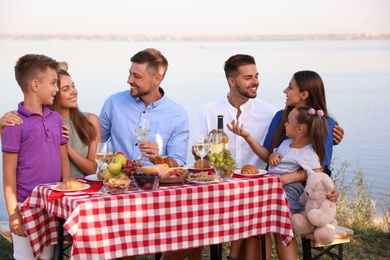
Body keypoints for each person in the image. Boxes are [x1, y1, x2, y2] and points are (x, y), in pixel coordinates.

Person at [228, 70, 343, 259]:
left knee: (266, 220)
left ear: (304, 94)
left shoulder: (326, 123)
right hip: (277, 185)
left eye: (290, 87)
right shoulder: (281, 118)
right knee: (256, 221)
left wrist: (285, 179)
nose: (285, 91)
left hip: (302, 194)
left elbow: (319, 169)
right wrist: (248, 137)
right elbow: (270, 155)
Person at [2, 54, 70, 260]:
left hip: (51, 204)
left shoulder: (56, 118)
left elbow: (63, 159)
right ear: (34, 85)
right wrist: (14, 216)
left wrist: (66, 189)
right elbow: (8, 175)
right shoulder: (15, 124)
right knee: (26, 257)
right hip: (26, 206)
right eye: (53, 83)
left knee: (46, 256)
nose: (56, 89)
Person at [99, 48, 189, 168]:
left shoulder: (178, 115)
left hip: (155, 184)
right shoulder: (113, 103)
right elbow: (96, 144)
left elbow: (179, 162)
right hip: (116, 183)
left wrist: (158, 160)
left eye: (136, 76)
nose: (129, 80)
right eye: (130, 73)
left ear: (157, 79)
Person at [193, 54, 278, 169]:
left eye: (256, 76)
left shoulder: (270, 112)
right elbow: (197, 156)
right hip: (220, 182)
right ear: (232, 82)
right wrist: (209, 143)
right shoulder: (208, 111)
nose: (255, 82)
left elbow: (276, 156)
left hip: (257, 183)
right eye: (248, 78)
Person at [49, 62, 101, 178]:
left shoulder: (90, 121)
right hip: (55, 191)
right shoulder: (44, 124)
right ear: (54, 94)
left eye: (73, 86)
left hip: (86, 192)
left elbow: (94, 170)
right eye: (66, 89)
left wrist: (67, 147)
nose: (74, 91)